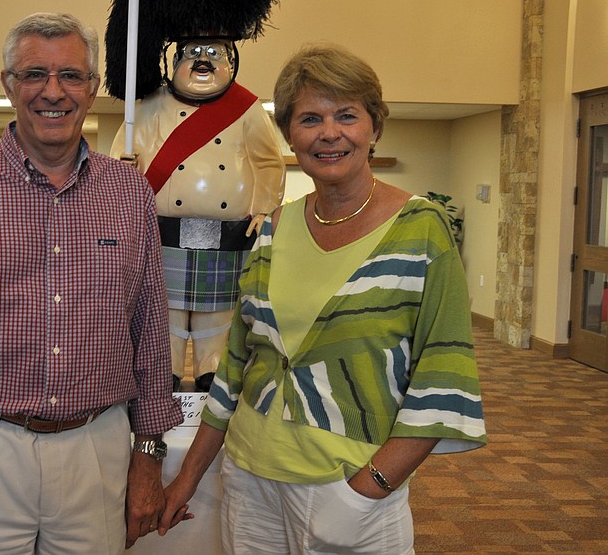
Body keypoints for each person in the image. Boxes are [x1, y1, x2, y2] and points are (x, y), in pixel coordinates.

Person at [159, 44, 488, 554]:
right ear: (291, 135)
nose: (329, 133)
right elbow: (236, 369)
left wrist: (368, 490)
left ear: (375, 128)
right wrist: (187, 479)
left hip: (350, 487)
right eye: (310, 118)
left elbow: (444, 376)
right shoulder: (273, 228)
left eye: (347, 116)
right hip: (249, 481)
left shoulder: (422, 229)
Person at [0, 12, 182, 554]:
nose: (53, 92)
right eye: (34, 75)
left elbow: (150, 336)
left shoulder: (130, 194)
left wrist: (147, 457)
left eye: (71, 76)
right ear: (8, 85)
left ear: (91, 90)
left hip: (98, 447)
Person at [106, 0, 285, 392]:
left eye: (214, 52)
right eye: (193, 51)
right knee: (165, 310)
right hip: (163, 231)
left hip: (227, 235)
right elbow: (122, 151)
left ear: (232, 58)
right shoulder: (149, 106)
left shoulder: (249, 109)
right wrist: (123, 170)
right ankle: (163, 372)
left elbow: (269, 162)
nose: (203, 60)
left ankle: (210, 373)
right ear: (174, 57)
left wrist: (263, 207)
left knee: (217, 312)